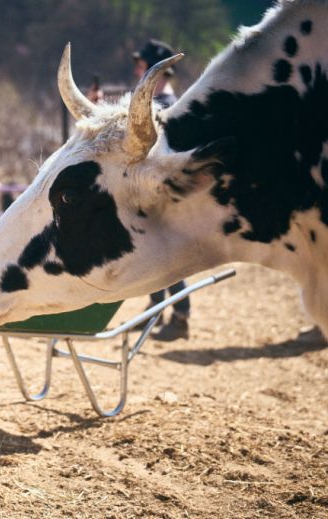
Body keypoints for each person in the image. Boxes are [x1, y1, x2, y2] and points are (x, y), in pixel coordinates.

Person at [131, 39, 189, 341]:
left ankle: (180, 317)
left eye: (143, 67)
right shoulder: (162, 104)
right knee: (153, 256)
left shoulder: (167, 106)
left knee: (168, 259)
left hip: (164, 195)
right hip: (152, 194)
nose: (138, 72)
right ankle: (155, 308)